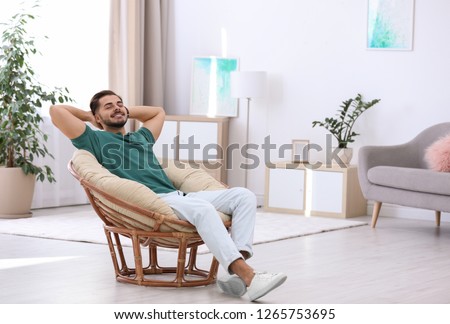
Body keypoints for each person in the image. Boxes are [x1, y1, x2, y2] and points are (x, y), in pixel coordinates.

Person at [49, 90, 287, 301]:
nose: (117, 107)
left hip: (178, 196)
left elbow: (158, 112)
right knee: (204, 211)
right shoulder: (94, 139)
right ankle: (250, 276)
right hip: (156, 202)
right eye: (108, 106)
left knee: (244, 196)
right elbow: (56, 110)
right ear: (98, 117)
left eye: (119, 103)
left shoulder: (140, 138)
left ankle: (239, 269)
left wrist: (126, 110)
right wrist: (89, 117)